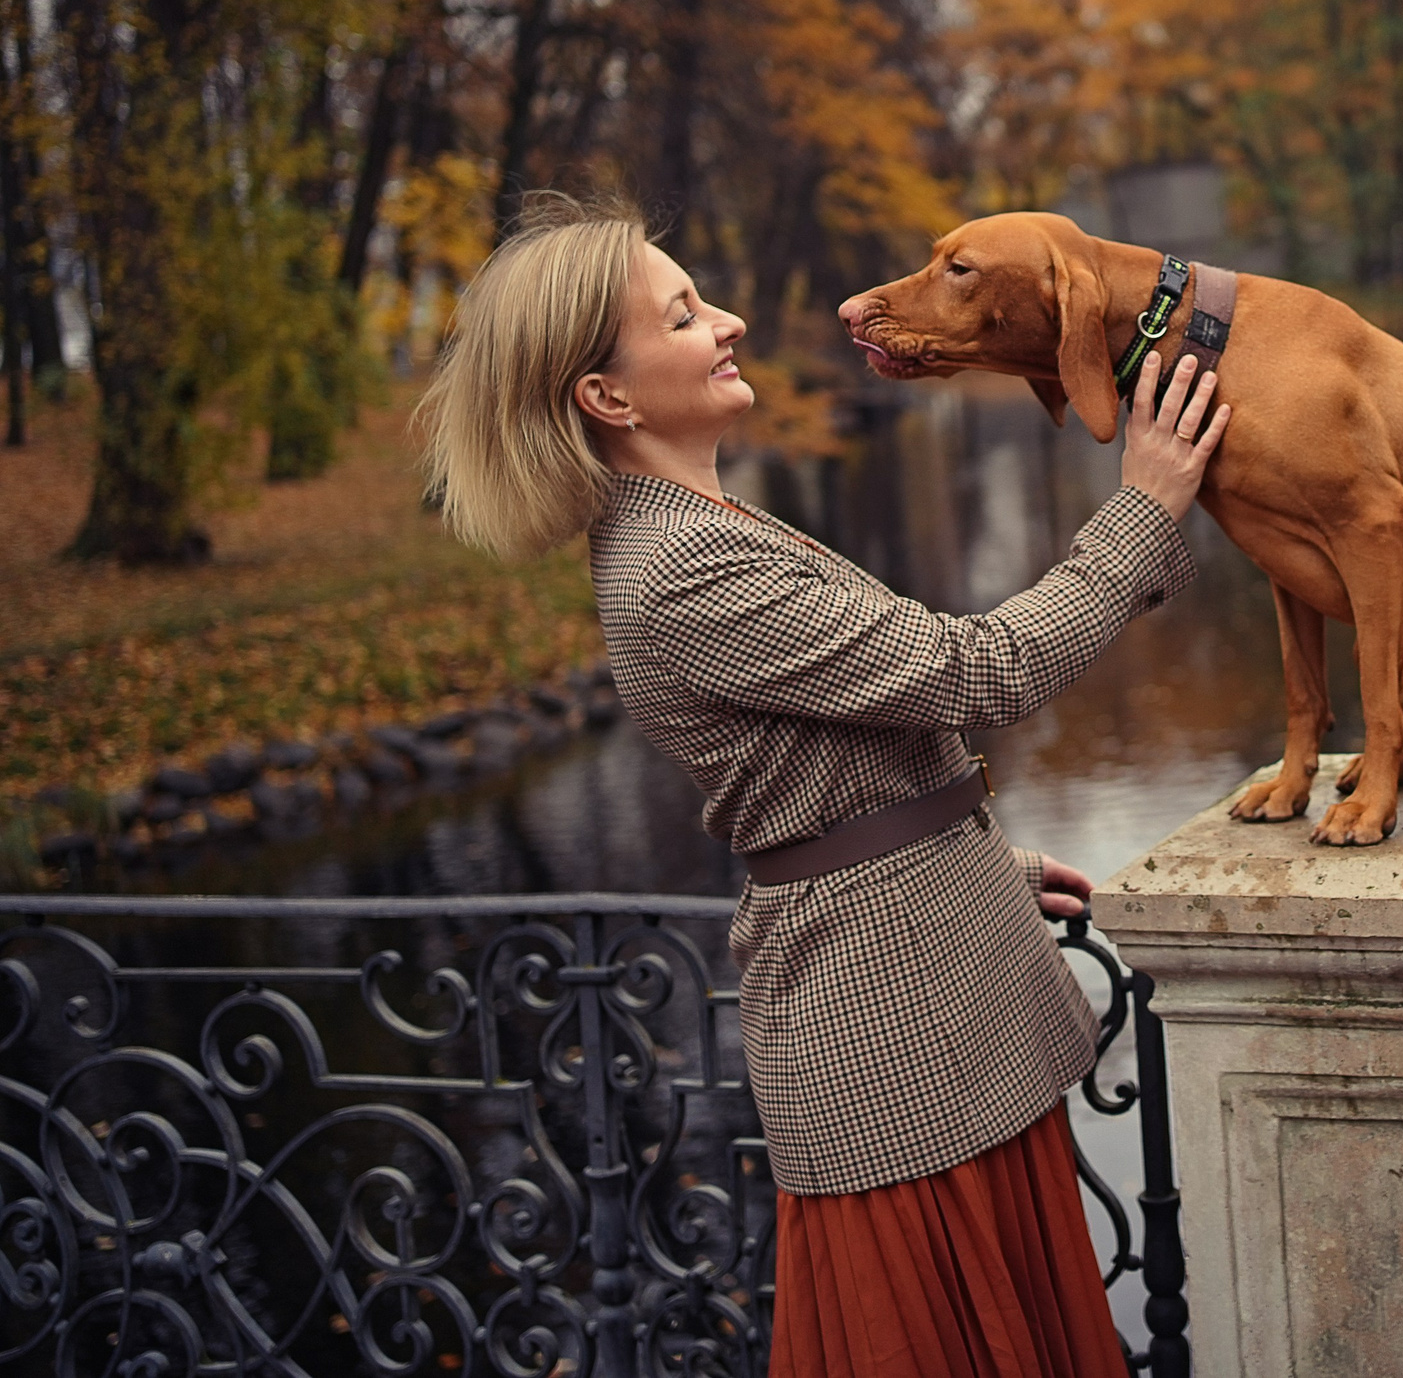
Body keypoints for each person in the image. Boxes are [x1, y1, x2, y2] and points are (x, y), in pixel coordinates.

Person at [416, 196, 1230, 1378]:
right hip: (894, 1054)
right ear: (609, 397)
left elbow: (820, 774)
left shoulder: (697, 523)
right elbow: (975, 673)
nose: (731, 321)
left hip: (936, 1002)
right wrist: (1146, 505)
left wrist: (972, 859)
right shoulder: (680, 568)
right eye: (687, 314)